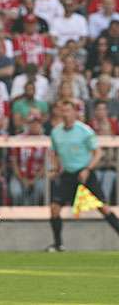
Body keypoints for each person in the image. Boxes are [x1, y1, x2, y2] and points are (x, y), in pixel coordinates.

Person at [47, 100, 119, 252]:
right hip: (68, 174)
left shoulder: (85, 131)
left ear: (75, 113)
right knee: (54, 208)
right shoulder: (56, 132)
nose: (65, 114)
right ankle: (58, 244)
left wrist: (87, 169)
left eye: (68, 110)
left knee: (103, 208)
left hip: (85, 173)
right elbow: (54, 152)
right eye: (63, 111)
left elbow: (98, 153)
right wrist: (55, 168)